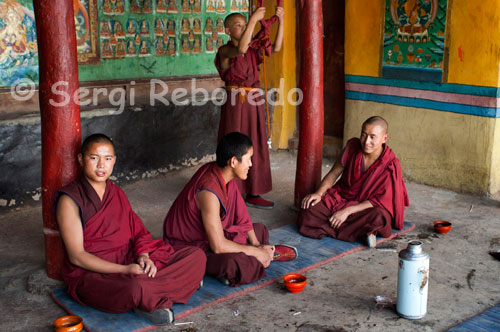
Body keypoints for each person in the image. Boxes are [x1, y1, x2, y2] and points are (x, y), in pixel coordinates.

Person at [55, 134, 206, 325]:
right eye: (94, 158)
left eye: (107, 159)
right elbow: (77, 256)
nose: (101, 165)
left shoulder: (116, 192)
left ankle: (154, 294)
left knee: (196, 256)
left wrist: (143, 256)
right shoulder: (70, 200)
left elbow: (138, 232)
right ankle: (170, 289)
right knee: (135, 287)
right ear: (80, 159)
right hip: (95, 274)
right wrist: (126, 269)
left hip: (130, 260)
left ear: (114, 161)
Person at [163, 132, 276, 287]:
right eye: (248, 159)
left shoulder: (224, 176)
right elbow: (218, 246)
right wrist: (257, 252)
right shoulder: (209, 191)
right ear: (234, 162)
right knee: (233, 263)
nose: (251, 164)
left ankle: (249, 257)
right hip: (190, 245)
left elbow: (242, 216)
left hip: (216, 234)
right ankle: (218, 270)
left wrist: (256, 244)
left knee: (260, 230)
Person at [297, 116, 410, 247]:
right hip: (341, 199)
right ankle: (360, 233)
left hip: (364, 207)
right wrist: (319, 193)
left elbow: (379, 201)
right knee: (308, 211)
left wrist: (347, 211)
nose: (366, 141)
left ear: (384, 138)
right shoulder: (352, 147)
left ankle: (334, 227)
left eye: (372, 137)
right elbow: (333, 174)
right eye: (363, 135)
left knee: (380, 217)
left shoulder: (390, 164)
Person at [215, 6, 284, 209]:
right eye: (239, 25)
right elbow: (241, 49)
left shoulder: (254, 49)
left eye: (245, 25)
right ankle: (229, 191)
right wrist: (254, 18)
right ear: (227, 30)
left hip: (254, 103)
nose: (244, 28)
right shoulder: (225, 51)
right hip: (236, 103)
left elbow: (277, 48)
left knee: (256, 144)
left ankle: (254, 192)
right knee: (233, 143)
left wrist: (281, 23)